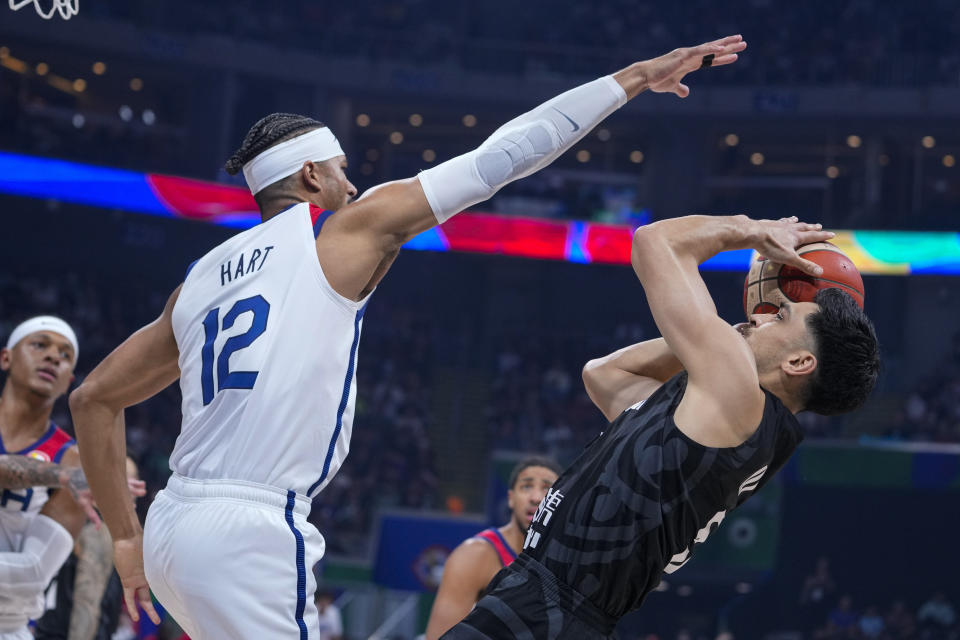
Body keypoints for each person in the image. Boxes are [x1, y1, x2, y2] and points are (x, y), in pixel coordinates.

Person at [69, 34, 749, 639]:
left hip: (170, 526)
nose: (354, 182)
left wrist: (126, 540)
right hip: (248, 529)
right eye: (341, 170)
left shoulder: (198, 279)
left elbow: (94, 399)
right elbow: (503, 156)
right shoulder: (342, 230)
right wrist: (632, 77)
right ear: (311, 175)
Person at [442, 215, 880, 639]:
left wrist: (754, 231)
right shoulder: (723, 412)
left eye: (780, 317)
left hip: (551, 613)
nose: (762, 315)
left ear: (800, 362)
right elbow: (604, 375)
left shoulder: (740, 397)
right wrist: (714, 336)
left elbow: (656, 242)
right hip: (550, 606)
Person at [0, 317, 110, 640]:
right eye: (40, 344)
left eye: (65, 355)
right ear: (5, 357)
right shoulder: (66, 471)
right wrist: (56, 476)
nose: (53, 357)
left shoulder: (74, 459)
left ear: (69, 381)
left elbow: (34, 572)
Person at [425, 456, 561, 639]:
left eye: (546, 489)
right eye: (526, 486)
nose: (536, 497)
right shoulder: (475, 555)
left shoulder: (566, 563)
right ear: (511, 499)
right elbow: (439, 636)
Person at [35, 457, 142, 640]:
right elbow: (87, 604)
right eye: (123, 481)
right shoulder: (98, 529)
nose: (131, 490)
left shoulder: (77, 521)